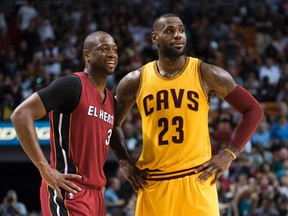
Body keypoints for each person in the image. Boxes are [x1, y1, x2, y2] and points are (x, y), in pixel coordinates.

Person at [110, 13, 263, 216]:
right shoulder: (134, 81)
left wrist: (229, 154)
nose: (178, 35)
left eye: (181, 30)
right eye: (170, 31)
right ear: (155, 38)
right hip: (154, 184)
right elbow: (110, 123)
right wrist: (124, 162)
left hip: (197, 180)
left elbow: (254, 110)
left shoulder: (206, 73)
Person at [10, 31, 118, 216]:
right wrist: (45, 169)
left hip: (97, 195)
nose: (111, 54)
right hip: (68, 188)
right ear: (87, 55)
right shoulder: (72, 85)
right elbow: (20, 115)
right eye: (104, 49)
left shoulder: (110, 100)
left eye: (114, 50)